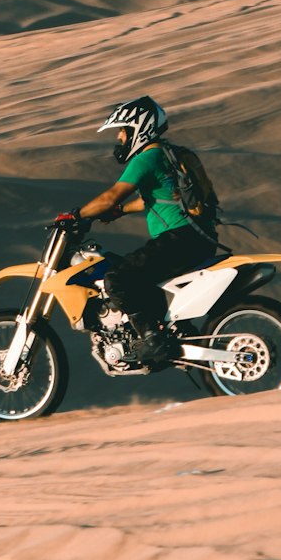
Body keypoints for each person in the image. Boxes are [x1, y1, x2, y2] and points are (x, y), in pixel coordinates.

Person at [54, 96, 222, 367]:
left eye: (122, 130)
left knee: (117, 277)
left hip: (178, 239)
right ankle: (165, 330)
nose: (120, 137)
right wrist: (122, 212)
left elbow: (111, 196)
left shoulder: (146, 158)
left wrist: (75, 215)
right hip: (199, 237)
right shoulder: (169, 153)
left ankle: (152, 339)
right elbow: (156, 198)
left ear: (137, 128)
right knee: (141, 276)